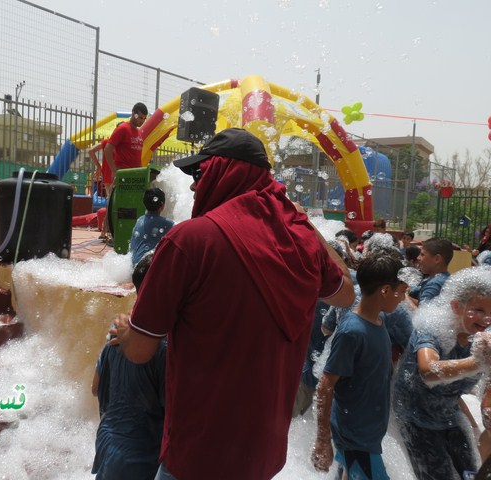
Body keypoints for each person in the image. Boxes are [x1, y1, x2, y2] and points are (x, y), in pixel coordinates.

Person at [111, 128, 355, 480]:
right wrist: (305, 226)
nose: (194, 186)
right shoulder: (300, 246)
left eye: (199, 173)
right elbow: (346, 291)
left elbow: (138, 351)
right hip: (262, 457)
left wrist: (124, 329)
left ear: (227, 171)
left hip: (197, 456)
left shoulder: (189, 242)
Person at [312, 255, 408, 479]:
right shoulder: (352, 332)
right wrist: (323, 439)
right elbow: (326, 385)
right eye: (401, 291)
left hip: (367, 434)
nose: (403, 298)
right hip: (356, 437)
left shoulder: (379, 320)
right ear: (385, 290)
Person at [393, 266, 491, 480]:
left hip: (450, 418)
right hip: (415, 419)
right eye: (480, 310)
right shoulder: (432, 329)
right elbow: (429, 371)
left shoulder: (482, 338)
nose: (487, 319)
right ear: (456, 306)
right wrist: (476, 363)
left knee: (470, 474)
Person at [91, 251, 166, 480]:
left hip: (107, 443)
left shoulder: (117, 331)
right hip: (140, 460)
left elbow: (96, 388)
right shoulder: (163, 346)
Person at [129, 187, 175, 266]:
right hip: (148, 266)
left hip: (135, 264)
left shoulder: (140, 220)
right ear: (162, 205)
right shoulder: (168, 224)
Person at [406, 237, 453, 310]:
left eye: (422, 255)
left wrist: (404, 296)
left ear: (437, 259)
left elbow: (422, 315)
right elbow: (421, 303)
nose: (418, 258)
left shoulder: (434, 284)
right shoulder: (444, 278)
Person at [104, 102, 148, 178]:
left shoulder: (139, 133)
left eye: (144, 118)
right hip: (123, 174)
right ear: (134, 114)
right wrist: (114, 170)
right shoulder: (123, 128)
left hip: (135, 176)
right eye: (140, 118)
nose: (142, 121)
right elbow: (107, 149)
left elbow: (136, 157)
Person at [88, 137, 113, 239]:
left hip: (107, 177)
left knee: (111, 205)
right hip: (114, 177)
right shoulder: (116, 142)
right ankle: (106, 231)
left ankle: (104, 231)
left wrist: (99, 166)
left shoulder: (107, 141)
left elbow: (91, 150)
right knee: (113, 205)